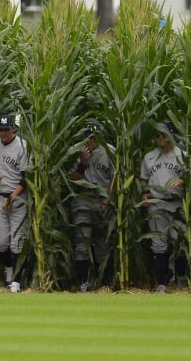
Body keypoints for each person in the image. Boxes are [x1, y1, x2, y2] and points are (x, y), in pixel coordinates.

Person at [140, 121, 187, 293]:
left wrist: (183, 180)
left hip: (177, 206)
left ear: (172, 135)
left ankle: (181, 282)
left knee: (180, 243)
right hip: (157, 205)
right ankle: (162, 284)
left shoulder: (183, 156)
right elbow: (143, 178)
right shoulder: (149, 157)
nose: (159, 138)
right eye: (156, 135)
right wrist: (144, 193)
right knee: (158, 245)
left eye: (162, 134)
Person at [69, 121, 115, 293]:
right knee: (82, 242)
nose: (91, 141)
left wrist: (108, 199)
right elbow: (72, 178)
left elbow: (114, 177)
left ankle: (103, 283)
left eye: (95, 137)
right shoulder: (76, 150)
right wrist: (82, 162)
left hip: (103, 200)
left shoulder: (110, 151)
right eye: (88, 137)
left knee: (103, 244)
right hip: (82, 199)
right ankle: (83, 282)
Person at [0, 114, 30, 293]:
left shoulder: (23, 145)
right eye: (1, 129)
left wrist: (13, 197)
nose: (3, 133)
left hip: (18, 198)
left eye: (6, 129)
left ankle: (16, 282)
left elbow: (26, 178)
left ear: (13, 129)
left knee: (17, 241)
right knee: (3, 241)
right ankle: (9, 270)